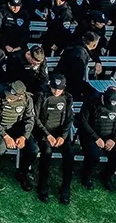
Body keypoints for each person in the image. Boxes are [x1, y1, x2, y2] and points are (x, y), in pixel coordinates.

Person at [0, 80, 37, 192]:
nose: (8, 97)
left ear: (20, 96)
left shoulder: (28, 100)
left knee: (33, 149)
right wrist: (5, 135)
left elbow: (29, 119)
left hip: (17, 128)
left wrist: (24, 136)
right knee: (0, 147)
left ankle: (22, 173)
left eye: (11, 97)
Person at [33, 73, 74, 204]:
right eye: (54, 88)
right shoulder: (42, 95)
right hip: (45, 132)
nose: (57, 91)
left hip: (60, 133)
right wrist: (47, 135)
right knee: (46, 153)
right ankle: (43, 184)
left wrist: (63, 136)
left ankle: (66, 187)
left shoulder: (68, 97)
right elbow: (36, 118)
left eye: (60, 89)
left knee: (69, 154)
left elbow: (69, 119)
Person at [77, 87, 116, 191]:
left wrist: (114, 139)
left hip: (110, 136)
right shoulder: (91, 102)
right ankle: (86, 174)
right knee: (93, 156)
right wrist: (96, 138)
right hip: (91, 134)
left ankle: (106, 175)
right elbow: (83, 121)